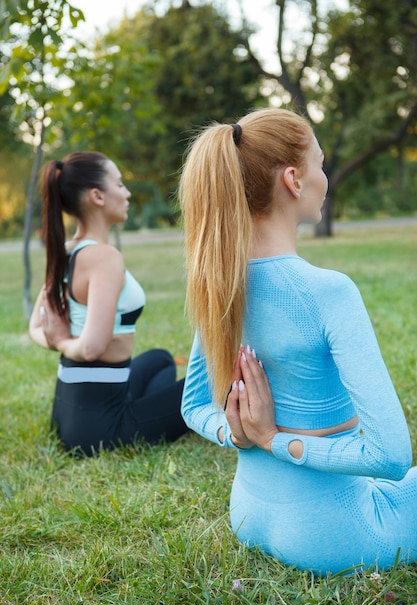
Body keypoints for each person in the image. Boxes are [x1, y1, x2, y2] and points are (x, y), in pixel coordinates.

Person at [179, 107, 417, 575]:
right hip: (336, 536)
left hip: (249, 514)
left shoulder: (223, 285)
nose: (325, 177)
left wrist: (238, 434)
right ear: (293, 179)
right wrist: (272, 440)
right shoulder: (329, 292)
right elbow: (390, 457)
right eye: (321, 163)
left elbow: (192, 408)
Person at [29, 151, 188, 457]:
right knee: (209, 387)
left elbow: (34, 328)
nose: (127, 192)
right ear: (97, 196)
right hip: (100, 429)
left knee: (161, 359)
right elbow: (91, 348)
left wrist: (59, 340)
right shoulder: (104, 258)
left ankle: (146, 410)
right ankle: (147, 415)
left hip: (70, 414)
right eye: (120, 184)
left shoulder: (67, 251)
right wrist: (62, 340)